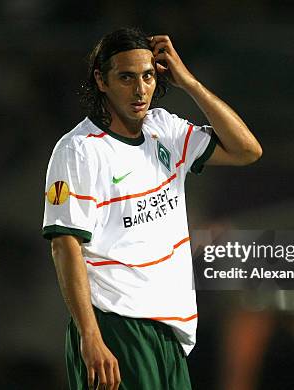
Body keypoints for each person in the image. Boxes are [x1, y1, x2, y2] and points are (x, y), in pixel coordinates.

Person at [42, 27, 262, 390]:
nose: (140, 89)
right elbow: (64, 244)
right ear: (101, 80)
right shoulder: (78, 150)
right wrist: (91, 337)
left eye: (147, 76)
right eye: (126, 77)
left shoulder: (165, 129)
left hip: (169, 335)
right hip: (117, 329)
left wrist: (189, 83)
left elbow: (247, 150)